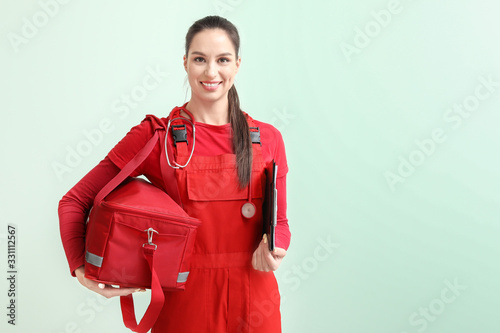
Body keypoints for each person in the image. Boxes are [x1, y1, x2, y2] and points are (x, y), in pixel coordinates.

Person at [58, 15, 290, 332]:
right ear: (185, 63)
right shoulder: (157, 137)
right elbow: (74, 201)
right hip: (185, 308)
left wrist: (275, 247)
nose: (211, 72)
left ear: (237, 64)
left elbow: (280, 224)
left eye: (222, 59)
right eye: (199, 59)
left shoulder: (269, 138)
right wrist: (82, 268)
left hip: (256, 306)